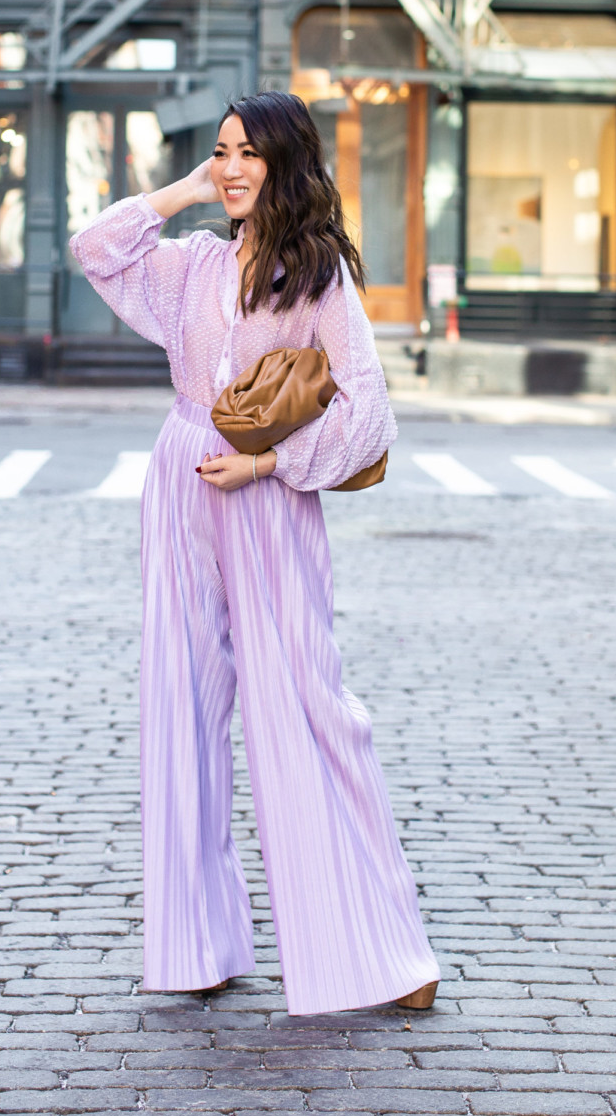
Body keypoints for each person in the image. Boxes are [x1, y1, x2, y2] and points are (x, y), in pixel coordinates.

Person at [70, 90, 440, 1016]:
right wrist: (184, 190)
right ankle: (195, 947)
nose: (232, 167)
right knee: (181, 702)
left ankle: (377, 954)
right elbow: (95, 248)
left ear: (288, 162)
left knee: (305, 704)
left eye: (248, 154)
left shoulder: (318, 278)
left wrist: (271, 458)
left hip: (267, 496)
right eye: (221, 152)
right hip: (182, 482)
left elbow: (370, 415)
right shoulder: (192, 264)